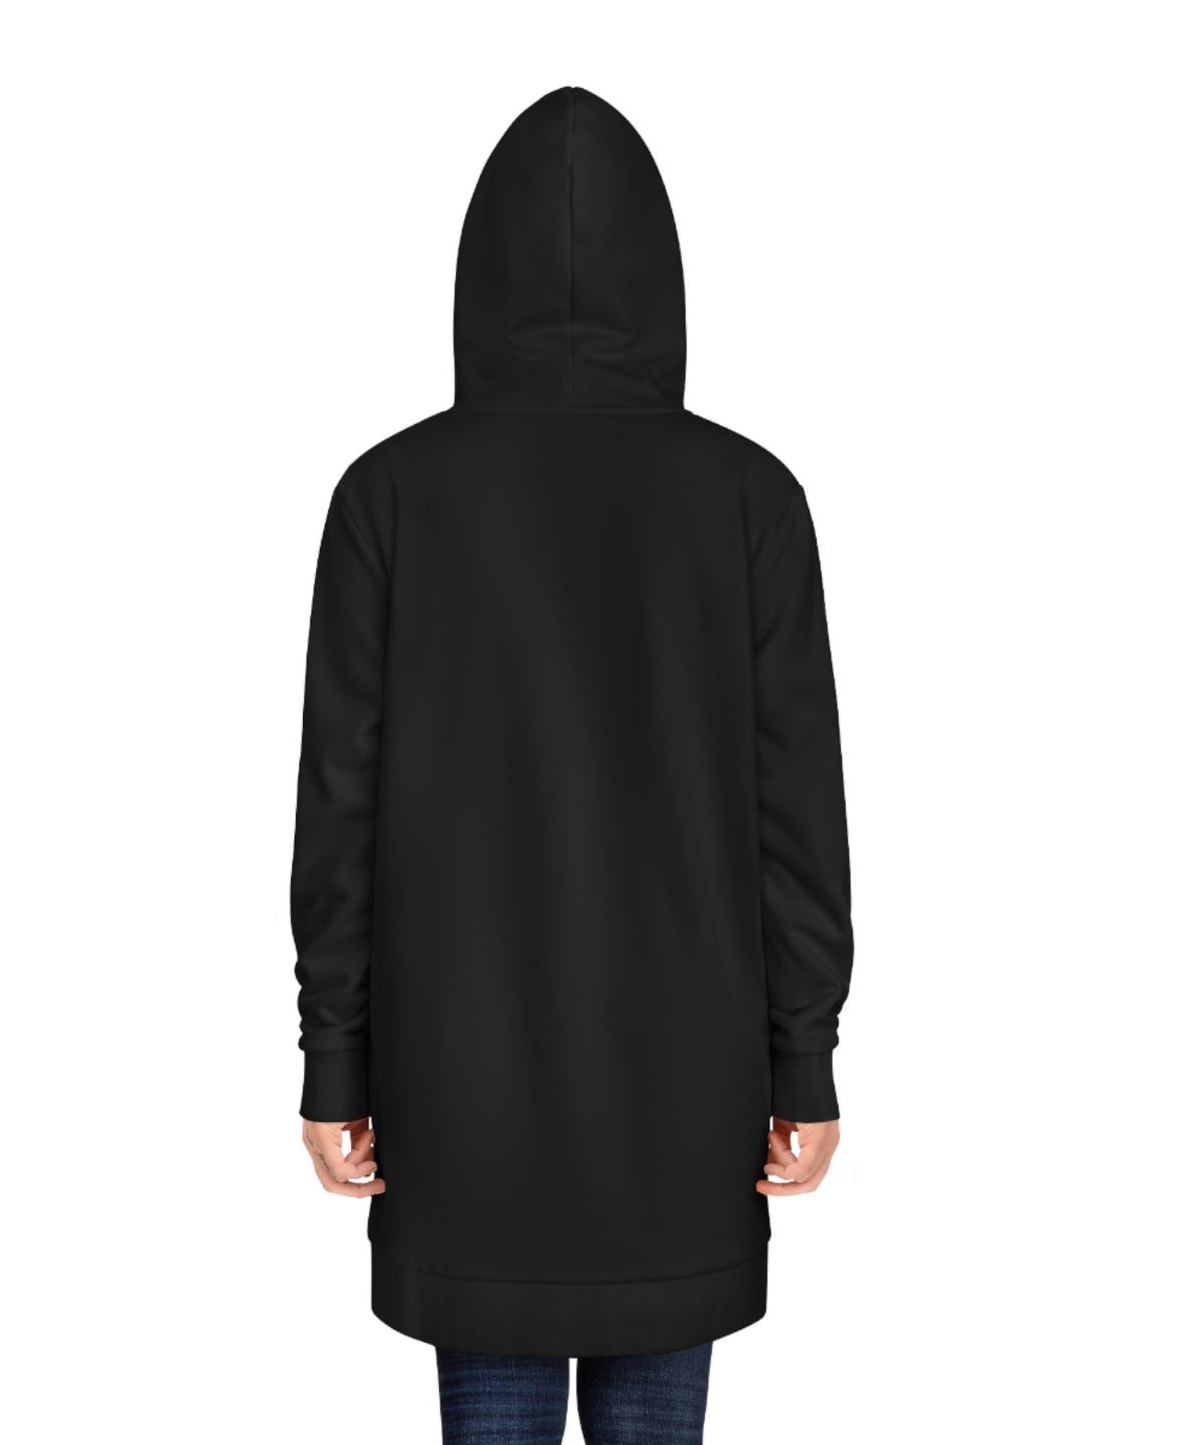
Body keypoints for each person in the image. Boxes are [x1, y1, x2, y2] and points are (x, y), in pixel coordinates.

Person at [291, 86, 854, 1444]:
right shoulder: (749, 499)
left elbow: (338, 808)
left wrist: (335, 1060)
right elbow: (797, 810)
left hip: (458, 1073)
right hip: (684, 1079)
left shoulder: (389, 495)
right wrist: (803, 1061)